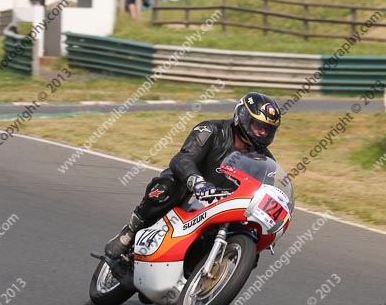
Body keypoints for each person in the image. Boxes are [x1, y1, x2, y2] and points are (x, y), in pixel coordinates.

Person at [104, 92, 282, 258]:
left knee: (249, 242)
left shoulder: (265, 161)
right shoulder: (211, 130)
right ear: (243, 117)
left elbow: (263, 194)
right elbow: (183, 158)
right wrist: (197, 182)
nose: (263, 132)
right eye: (259, 126)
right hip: (189, 191)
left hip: (222, 208)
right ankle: (131, 231)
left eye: (268, 129)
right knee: (166, 187)